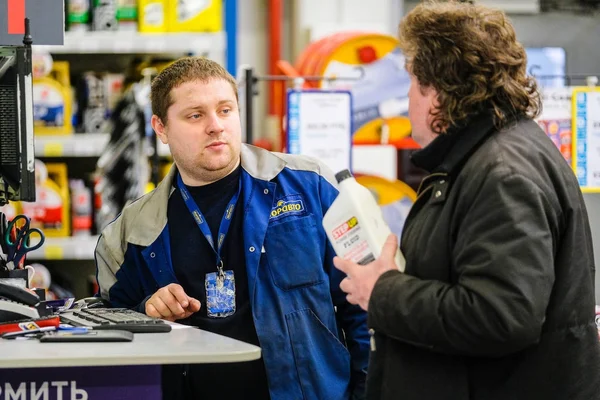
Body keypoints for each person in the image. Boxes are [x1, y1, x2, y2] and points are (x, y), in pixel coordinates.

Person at [333, 1, 600, 400]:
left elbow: (501, 315)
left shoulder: (502, 174)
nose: (407, 101)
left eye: (411, 83)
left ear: (438, 91)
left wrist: (384, 291)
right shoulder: (482, 157)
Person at [95, 56, 369, 400]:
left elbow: (364, 306)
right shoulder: (129, 234)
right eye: (195, 115)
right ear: (160, 127)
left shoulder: (310, 187)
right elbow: (108, 337)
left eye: (225, 110)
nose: (216, 126)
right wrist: (145, 312)